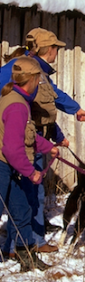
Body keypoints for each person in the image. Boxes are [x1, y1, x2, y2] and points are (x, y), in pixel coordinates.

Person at [0, 28, 85, 256]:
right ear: (47, 49)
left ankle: (27, 242)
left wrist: (71, 115)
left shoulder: (38, 72)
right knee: (21, 194)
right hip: (19, 143)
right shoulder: (18, 71)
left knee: (30, 194)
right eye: (55, 48)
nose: (56, 52)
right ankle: (21, 244)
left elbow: (47, 104)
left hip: (35, 138)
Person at [0, 56, 59, 271]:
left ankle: (27, 257)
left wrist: (47, 147)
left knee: (22, 210)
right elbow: (12, 148)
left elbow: (27, 136)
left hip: (10, 165)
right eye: (39, 79)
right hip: (4, 166)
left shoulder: (16, 98)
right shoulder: (17, 106)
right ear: (32, 79)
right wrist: (30, 172)